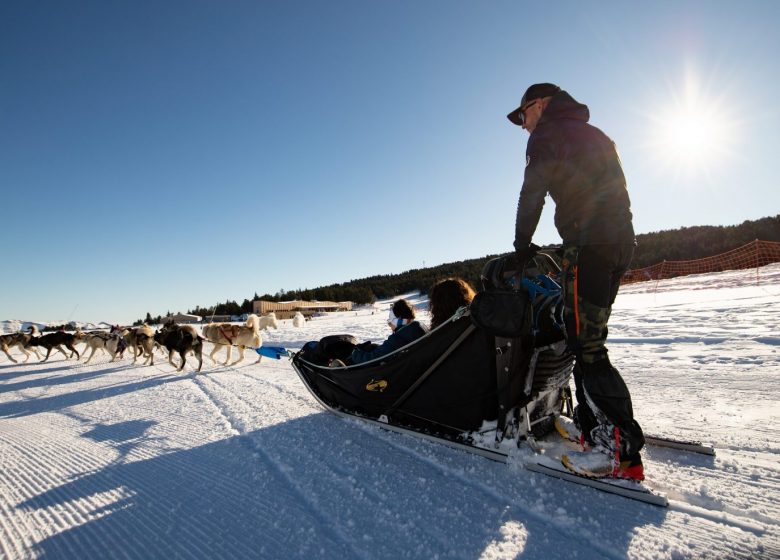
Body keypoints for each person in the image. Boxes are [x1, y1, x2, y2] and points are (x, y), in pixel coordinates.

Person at [506, 83, 645, 480]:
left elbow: (531, 193)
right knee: (581, 333)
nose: (523, 125)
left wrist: (521, 245)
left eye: (523, 114)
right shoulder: (596, 134)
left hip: (589, 246)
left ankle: (619, 451)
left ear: (541, 105)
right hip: (618, 242)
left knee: (586, 346)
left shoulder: (548, 135)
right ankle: (594, 429)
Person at [349, 299, 427, 365]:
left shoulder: (399, 337)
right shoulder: (419, 327)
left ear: (398, 319)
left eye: (390, 318)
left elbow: (371, 359)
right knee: (374, 346)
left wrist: (354, 353)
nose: (389, 323)